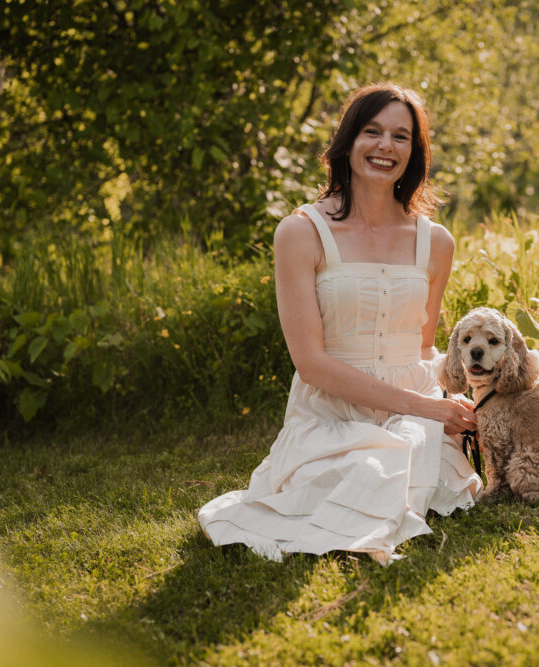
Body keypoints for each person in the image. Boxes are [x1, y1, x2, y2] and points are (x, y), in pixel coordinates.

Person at [198, 83, 483, 564]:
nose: (384, 147)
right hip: (331, 413)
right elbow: (312, 365)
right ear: (348, 141)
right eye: (372, 132)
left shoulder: (436, 241)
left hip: (413, 414)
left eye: (400, 136)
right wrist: (429, 409)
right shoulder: (300, 232)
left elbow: (422, 347)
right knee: (368, 474)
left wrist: (454, 405)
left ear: (414, 152)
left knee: (409, 469)